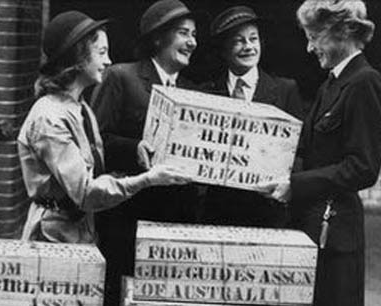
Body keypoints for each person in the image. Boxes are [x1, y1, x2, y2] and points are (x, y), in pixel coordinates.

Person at [18, 11, 190, 244]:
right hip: (53, 237)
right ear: (78, 57)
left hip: (80, 230)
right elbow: (86, 193)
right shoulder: (49, 118)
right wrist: (148, 179)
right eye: (101, 53)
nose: (108, 61)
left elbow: (95, 175)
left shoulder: (81, 109)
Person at [260, 1, 381, 305]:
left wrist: (296, 186)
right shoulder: (332, 84)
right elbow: (309, 151)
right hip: (312, 229)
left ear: (341, 32)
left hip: (336, 238)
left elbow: (363, 167)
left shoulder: (365, 82)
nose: (308, 48)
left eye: (314, 37)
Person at [90, 1, 201, 304]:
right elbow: (96, 142)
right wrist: (133, 149)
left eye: (194, 34)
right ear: (157, 38)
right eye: (183, 33)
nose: (192, 42)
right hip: (128, 219)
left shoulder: (192, 91)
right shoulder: (121, 77)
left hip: (175, 221)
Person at [198, 5, 305, 228]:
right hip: (218, 212)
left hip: (269, 212)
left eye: (253, 39)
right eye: (239, 41)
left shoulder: (285, 90)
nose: (248, 47)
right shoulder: (206, 94)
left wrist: (284, 186)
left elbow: (300, 151)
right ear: (223, 50)